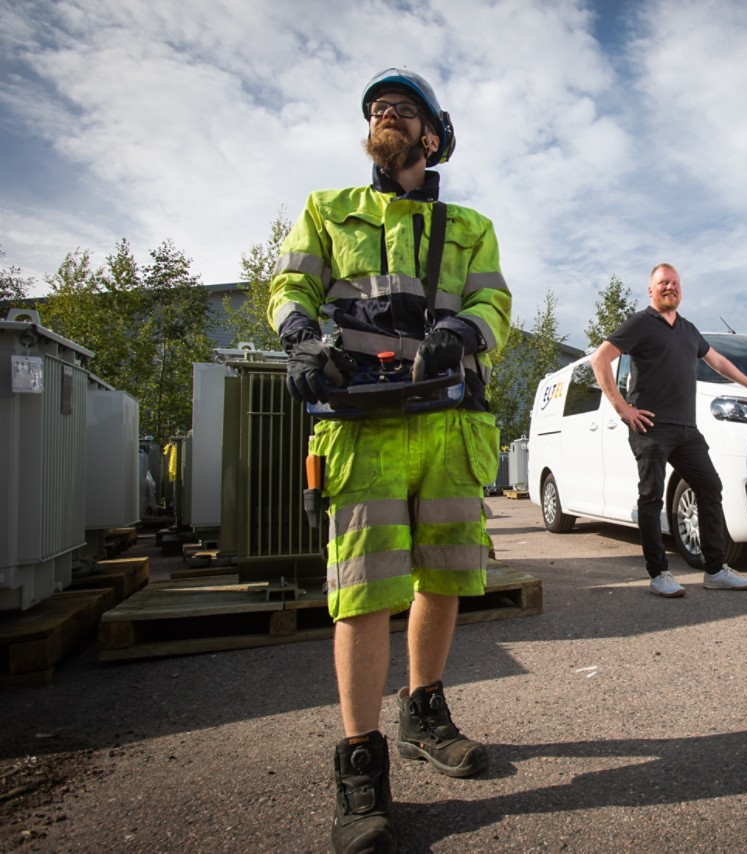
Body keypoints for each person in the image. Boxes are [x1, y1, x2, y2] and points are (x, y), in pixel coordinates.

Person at [268, 68, 511, 853]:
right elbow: (288, 286)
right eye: (377, 109)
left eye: (403, 110)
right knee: (364, 591)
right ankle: (360, 764)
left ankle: (424, 712)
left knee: (443, 576)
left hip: (448, 421)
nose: (386, 115)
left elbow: (494, 303)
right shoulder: (326, 210)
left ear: (432, 136)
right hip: (360, 423)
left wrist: (467, 332)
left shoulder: (471, 225)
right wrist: (299, 335)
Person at [590, 263, 747, 597]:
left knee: (710, 488)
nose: (670, 288)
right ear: (651, 290)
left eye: (675, 283)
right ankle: (658, 574)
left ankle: (715, 570)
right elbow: (600, 359)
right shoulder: (640, 323)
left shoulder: (688, 330)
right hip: (650, 427)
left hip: (686, 429)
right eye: (663, 283)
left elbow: (717, 361)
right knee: (651, 497)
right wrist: (622, 408)